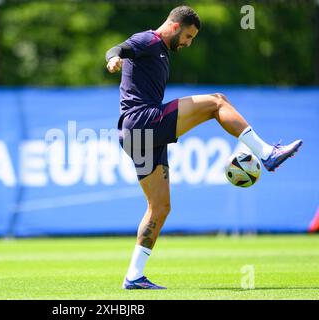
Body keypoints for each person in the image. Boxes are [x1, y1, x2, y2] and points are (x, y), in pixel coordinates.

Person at [105, 5, 302, 290]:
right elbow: (118, 48)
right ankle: (267, 153)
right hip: (141, 122)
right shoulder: (149, 40)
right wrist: (113, 60)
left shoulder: (161, 50)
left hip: (137, 137)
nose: (188, 43)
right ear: (175, 26)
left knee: (159, 208)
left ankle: (133, 277)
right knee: (217, 101)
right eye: (188, 36)